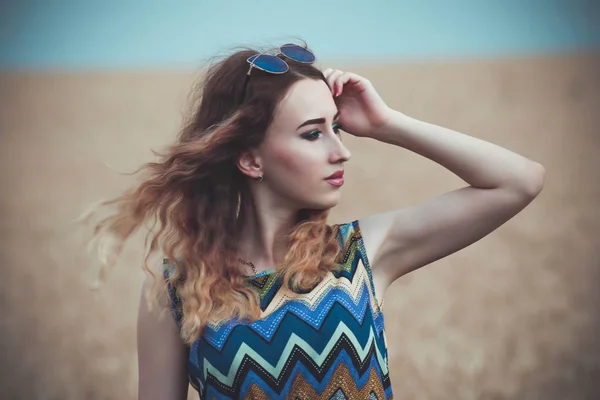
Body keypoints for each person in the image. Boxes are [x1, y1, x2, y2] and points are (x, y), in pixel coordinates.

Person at [90, 43, 545, 399]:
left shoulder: (359, 255)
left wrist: (387, 123)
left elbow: (519, 181)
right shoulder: (176, 288)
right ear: (250, 159)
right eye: (313, 133)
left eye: (337, 128)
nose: (341, 150)